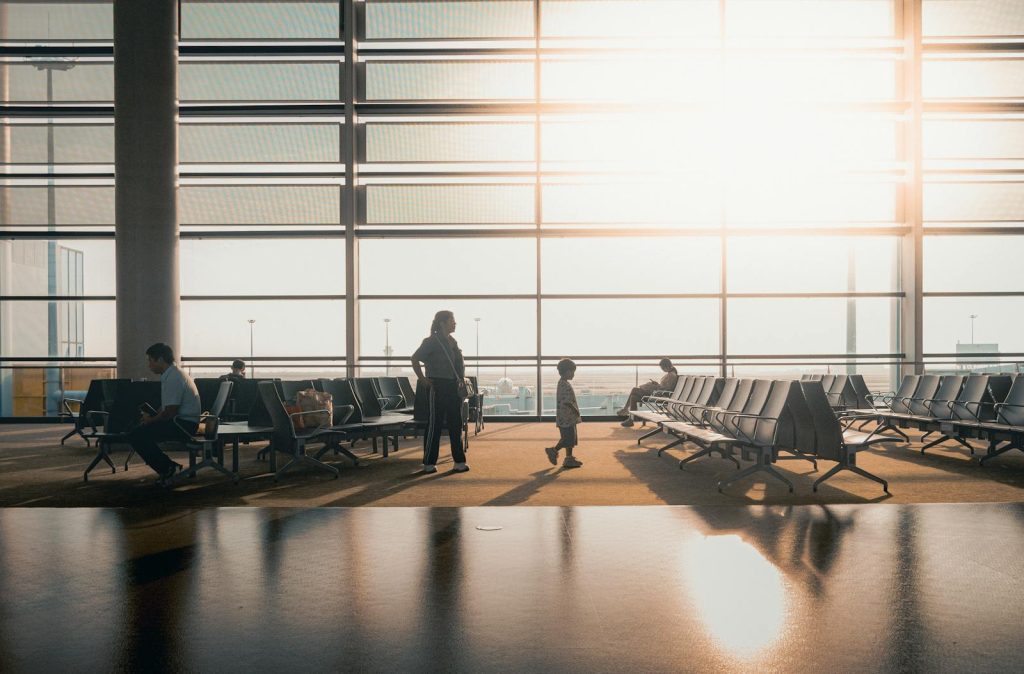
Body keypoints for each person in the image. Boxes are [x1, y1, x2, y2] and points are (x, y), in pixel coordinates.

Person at [127, 342, 202, 485]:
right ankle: (167, 466)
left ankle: (168, 468)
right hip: (182, 421)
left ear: (160, 359)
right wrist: (152, 418)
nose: (149, 365)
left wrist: (150, 420)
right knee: (140, 432)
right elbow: (166, 407)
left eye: (150, 360)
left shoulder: (173, 377)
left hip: (183, 425)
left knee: (137, 435)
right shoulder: (172, 374)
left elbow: (170, 412)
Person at [411, 310, 469, 474]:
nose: (455, 323)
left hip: (453, 386)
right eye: (452, 320)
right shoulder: (431, 341)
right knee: (435, 424)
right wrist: (422, 379)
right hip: (437, 385)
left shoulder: (452, 341)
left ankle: (459, 461)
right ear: (442, 323)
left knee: (455, 424)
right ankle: (429, 462)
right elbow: (414, 358)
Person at [618, 358, 678, 427]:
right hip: (657, 393)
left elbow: (667, 389)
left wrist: (656, 386)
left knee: (634, 390)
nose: (662, 370)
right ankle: (631, 419)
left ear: (666, 366)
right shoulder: (670, 374)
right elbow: (665, 386)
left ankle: (626, 410)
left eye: (662, 368)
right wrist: (656, 384)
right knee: (633, 397)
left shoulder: (671, 375)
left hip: (659, 395)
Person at [546, 358, 583, 469]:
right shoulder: (564, 385)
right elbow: (567, 402)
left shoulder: (563, 383)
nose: (573, 374)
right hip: (567, 417)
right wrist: (576, 411)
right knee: (567, 439)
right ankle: (553, 450)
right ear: (566, 371)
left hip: (567, 417)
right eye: (572, 372)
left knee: (571, 438)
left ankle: (569, 458)